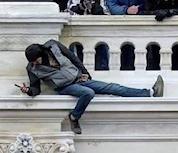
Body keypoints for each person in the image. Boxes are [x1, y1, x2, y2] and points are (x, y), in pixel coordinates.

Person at [22, 40, 164, 134]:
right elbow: (36, 89)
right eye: (33, 62)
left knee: (113, 88)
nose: (36, 63)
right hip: (65, 87)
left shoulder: (53, 46)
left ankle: (149, 92)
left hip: (80, 78)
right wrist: (28, 91)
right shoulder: (33, 69)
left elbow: (73, 58)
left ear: (41, 53)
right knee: (88, 93)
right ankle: (74, 117)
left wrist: (85, 73)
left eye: (36, 59)